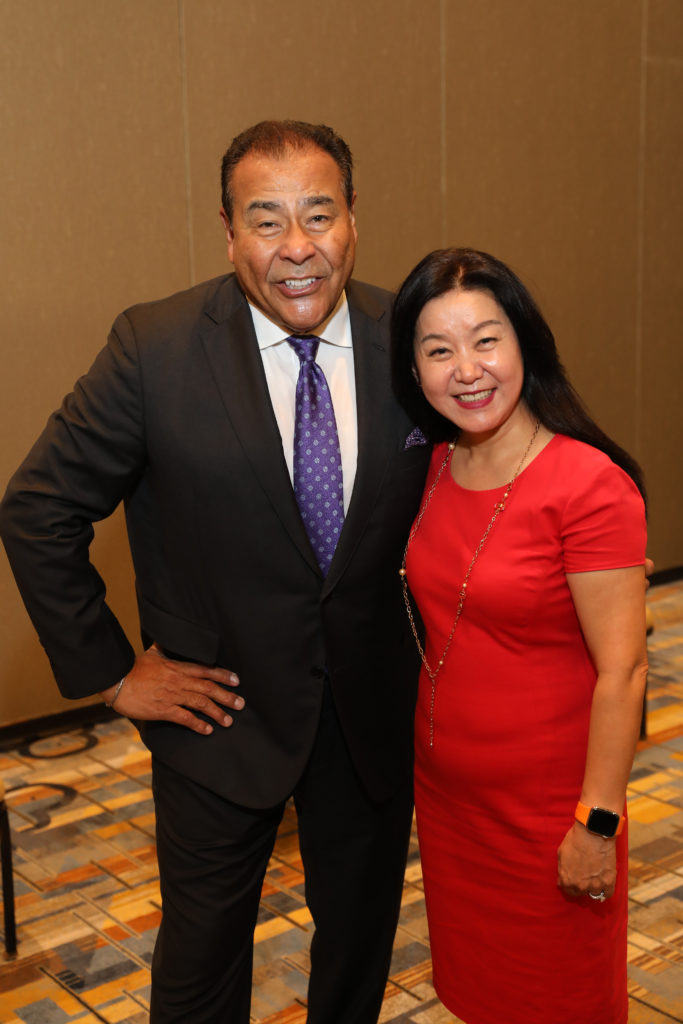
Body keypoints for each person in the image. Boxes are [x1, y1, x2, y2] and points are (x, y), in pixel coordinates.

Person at [0, 121, 432, 1023]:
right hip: (217, 713)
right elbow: (37, 508)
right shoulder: (154, 349)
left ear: (353, 219)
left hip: (370, 714)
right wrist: (114, 675)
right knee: (200, 965)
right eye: (265, 221)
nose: (297, 247)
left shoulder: (415, 339)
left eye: (318, 214)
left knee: (358, 950)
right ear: (228, 233)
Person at [390, 247, 648, 1024]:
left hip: (548, 816)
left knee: (559, 1002)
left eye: (485, 339)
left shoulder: (588, 485)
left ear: (524, 344)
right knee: (478, 998)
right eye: (437, 350)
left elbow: (624, 673)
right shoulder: (435, 466)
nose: (465, 369)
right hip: (449, 803)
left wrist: (595, 824)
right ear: (414, 370)